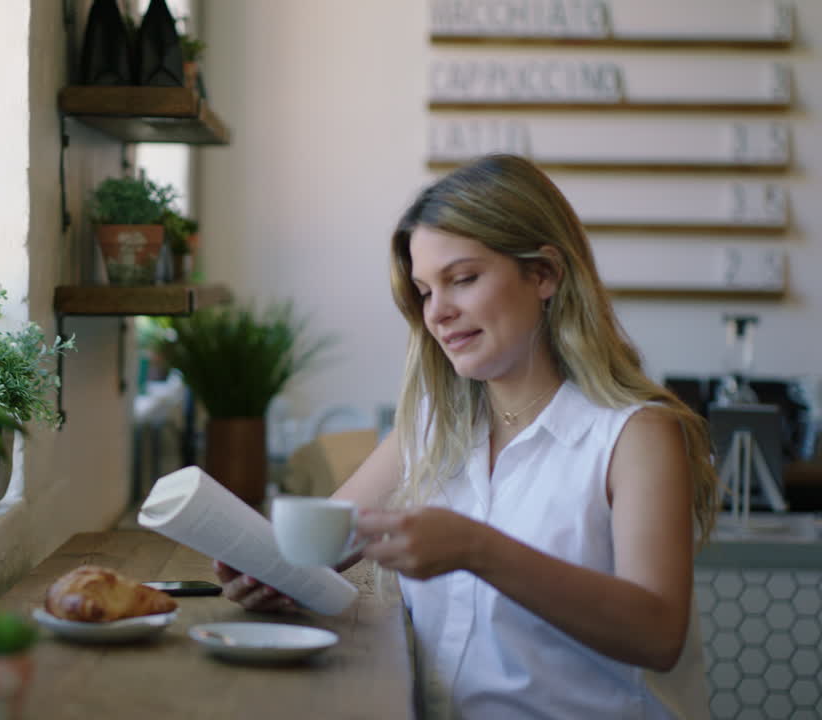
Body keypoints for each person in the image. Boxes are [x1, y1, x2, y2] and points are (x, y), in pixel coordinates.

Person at [215, 154, 718, 718]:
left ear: (545, 274)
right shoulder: (432, 427)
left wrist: (477, 549)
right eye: (426, 291)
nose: (438, 314)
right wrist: (268, 574)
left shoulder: (637, 434)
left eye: (463, 280)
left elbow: (657, 633)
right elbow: (325, 542)